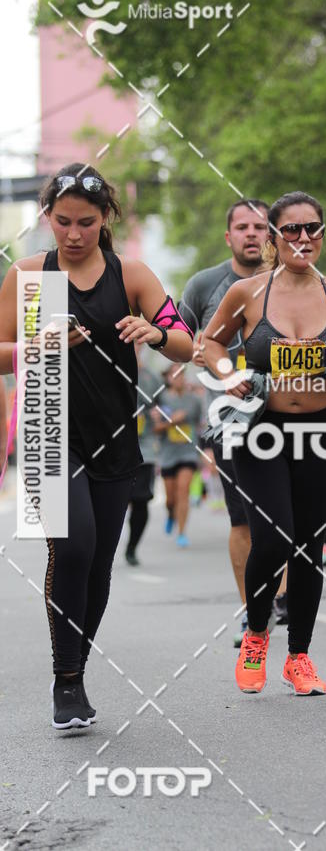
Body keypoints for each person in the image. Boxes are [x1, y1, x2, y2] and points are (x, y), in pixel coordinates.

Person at [0, 163, 193, 729]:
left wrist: (154, 333)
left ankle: (76, 663)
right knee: (75, 547)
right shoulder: (31, 275)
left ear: (105, 217)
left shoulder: (130, 275)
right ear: (48, 218)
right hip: (48, 433)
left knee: (100, 567)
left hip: (115, 438)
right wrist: (32, 347)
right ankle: (67, 682)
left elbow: (185, 343)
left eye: (86, 221)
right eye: (63, 221)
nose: (74, 233)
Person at [202, 191, 326, 695]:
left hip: (321, 432)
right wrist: (226, 372)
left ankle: (298, 656)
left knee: (309, 548)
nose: (304, 238)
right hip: (261, 430)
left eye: (314, 229)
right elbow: (209, 343)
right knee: (274, 538)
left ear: (324, 234)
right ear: (275, 238)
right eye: (293, 230)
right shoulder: (248, 293)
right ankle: (257, 634)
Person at [180, 199, 283, 645]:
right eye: (242, 227)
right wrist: (200, 352)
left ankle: (286, 602)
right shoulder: (206, 285)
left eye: (260, 226)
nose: (251, 234)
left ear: (272, 234)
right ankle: (252, 611)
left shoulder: (293, 282)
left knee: (288, 521)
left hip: (290, 415)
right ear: (229, 236)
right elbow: (176, 337)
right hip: (232, 421)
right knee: (243, 521)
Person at [155, 363, 203, 547]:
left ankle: (182, 532)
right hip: (168, 453)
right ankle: (170, 513)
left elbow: (201, 425)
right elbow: (156, 428)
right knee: (171, 498)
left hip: (188, 452)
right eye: (175, 375)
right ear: (168, 378)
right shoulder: (162, 399)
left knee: (184, 491)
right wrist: (172, 421)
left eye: (182, 374)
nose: (179, 378)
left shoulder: (194, 400)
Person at [124, 353, 162, 565]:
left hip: (144, 449)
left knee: (140, 501)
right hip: (112, 449)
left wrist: (160, 412)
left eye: (137, 343)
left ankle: (132, 547)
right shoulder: (106, 368)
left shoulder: (151, 377)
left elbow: (165, 403)